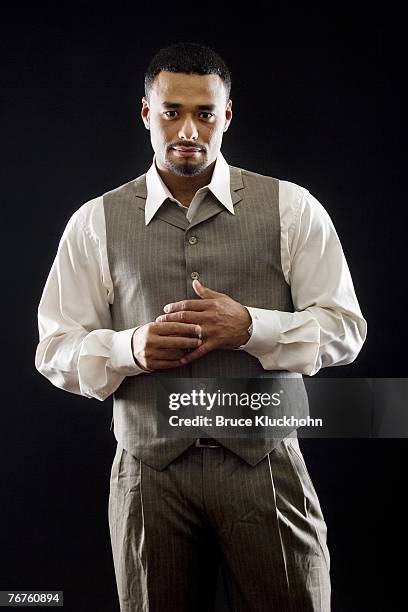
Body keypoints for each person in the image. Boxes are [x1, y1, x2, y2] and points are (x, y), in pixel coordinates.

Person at [35, 42, 367, 612]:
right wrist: (130, 346)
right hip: (149, 475)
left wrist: (250, 328)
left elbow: (345, 330)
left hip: (265, 467)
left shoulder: (293, 207)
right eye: (172, 112)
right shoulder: (96, 221)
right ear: (146, 112)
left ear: (226, 116)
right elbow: (55, 348)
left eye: (204, 114)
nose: (188, 129)